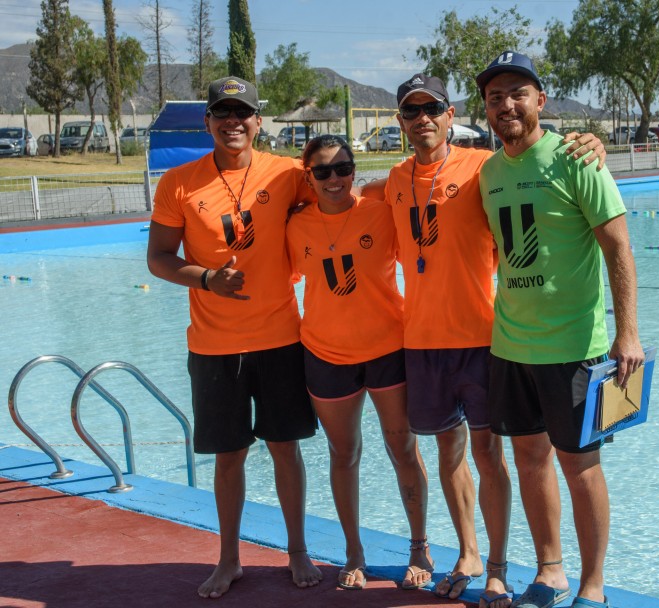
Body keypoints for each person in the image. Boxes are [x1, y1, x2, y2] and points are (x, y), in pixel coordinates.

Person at [385, 73, 607, 608]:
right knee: (449, 452)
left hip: (490, 338)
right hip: (424, 341)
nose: (422, 120)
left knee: (493, 453)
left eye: (431, 108)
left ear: (450, 113)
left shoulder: (484, 166)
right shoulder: (392, 180)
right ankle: (469, 553)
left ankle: (503, 567)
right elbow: (335, 194)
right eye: (411, 112)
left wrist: (590, 140)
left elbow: (530, 153)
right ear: (401, 122)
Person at [475, 51, 644, 608]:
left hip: (575, 349)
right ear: (486, 108)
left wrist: (628, 335)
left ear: (540, 101)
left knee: (581, 466)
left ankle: (593, 587)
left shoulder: (577, 159)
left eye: (518, 93)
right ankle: (552, 570)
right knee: (528, 459)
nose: (507, 105)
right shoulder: (489, 171)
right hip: (511, 346)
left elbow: (618, 246)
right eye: (496, 97)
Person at [146, 76, 323, 599]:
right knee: (229, 456)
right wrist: (205, 278)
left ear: (258, 122)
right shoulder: (178, 183)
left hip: (280, 339)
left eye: (242, 112)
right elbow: (158, 258)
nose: (233, 122)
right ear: (207, 123)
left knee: (285, 448)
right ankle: (229, 559)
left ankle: (297, 551)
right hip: (213, 345)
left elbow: (346, 186)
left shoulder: (289, 174)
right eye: (222, 113)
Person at [285, 134, 431, 591]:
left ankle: (419, 547)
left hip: (388, 350)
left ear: (355, 168)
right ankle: (354, 552)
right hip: (327, 355)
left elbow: (422, 192)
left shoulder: (382, 212)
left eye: (343, 168)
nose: (334, 179)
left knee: (403, 449)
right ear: (307, 176)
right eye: (322, 171)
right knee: (344, 453)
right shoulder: (294, 226)